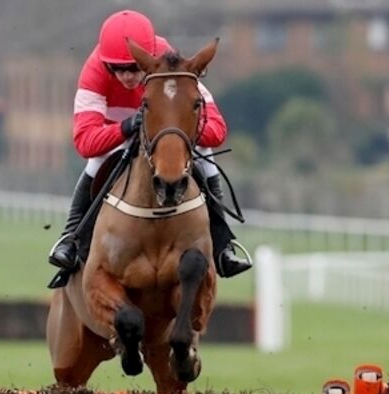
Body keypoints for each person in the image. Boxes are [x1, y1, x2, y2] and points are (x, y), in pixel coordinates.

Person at [48, 9, 252, 278]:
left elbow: (217, 131)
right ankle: (70, 239)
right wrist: (126, 127)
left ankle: (224, 246)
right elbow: (85, 142)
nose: (126, 76)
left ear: (147, 59)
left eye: (133, 67)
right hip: (116, 126)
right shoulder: (93, 71)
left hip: (163, 127)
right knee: (96, 161)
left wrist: (178, 131)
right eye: (117, 69)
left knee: (206, 152)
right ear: (105, 64)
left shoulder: (169, 62)